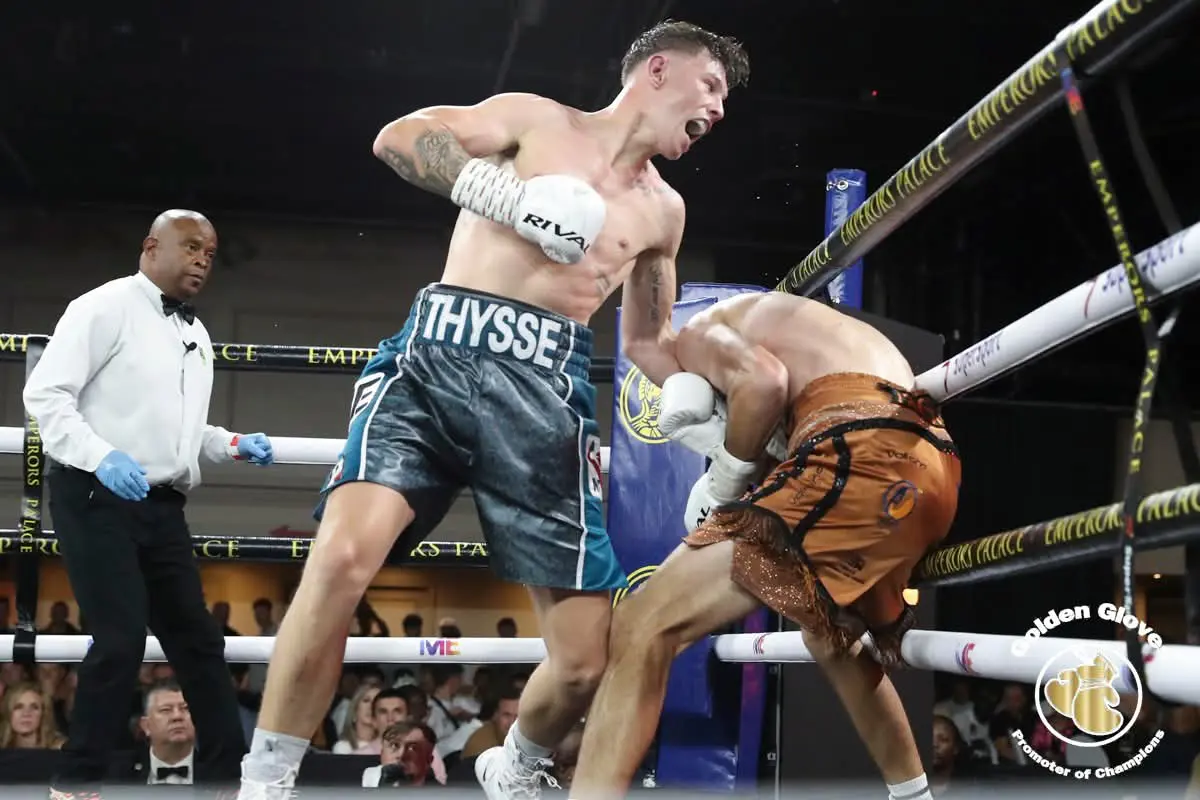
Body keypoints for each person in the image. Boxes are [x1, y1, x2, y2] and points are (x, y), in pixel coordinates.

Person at [236, 19, 749, 800]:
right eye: (710, 85)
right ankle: (266, 782)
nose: (717, 109)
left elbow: (649, 342)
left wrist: (727, 420)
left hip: (544, 399)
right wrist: (502, 198)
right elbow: (400, 137)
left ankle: (515, 761)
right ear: (655, 69)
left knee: (584, 661)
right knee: (339, 560)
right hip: (434, 360)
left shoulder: (664, 213)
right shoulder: (537, 119)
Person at [568, 292, 962, 800]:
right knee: (830, 635)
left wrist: (723, 478)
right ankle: (913, 794)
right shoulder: (812, 332)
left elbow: (760, 384)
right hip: (929, 467)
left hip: (854, 450)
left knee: (642, 624)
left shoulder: (699, 333)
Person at [22, 209, 276, 796]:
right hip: (94, 493)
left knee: (199, 641)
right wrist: (101, 454)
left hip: (162, 507)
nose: (201, 261)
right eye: (191, 248)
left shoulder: (195, 333)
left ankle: (226, 780)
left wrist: (232, 443)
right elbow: (46, 396)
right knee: (119, 638)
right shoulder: (103, 306)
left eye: (210, 254)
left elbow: (180, 430)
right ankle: (76, 780)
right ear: (150, 247)